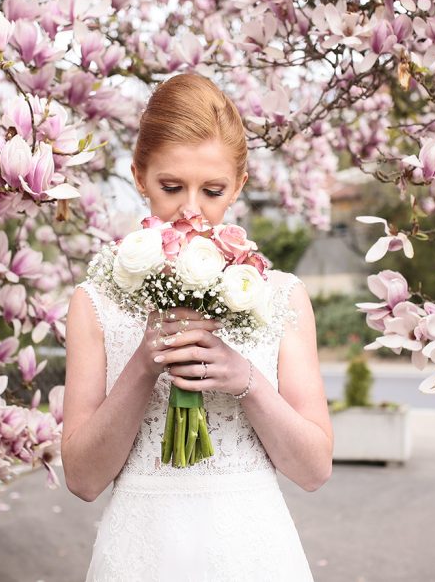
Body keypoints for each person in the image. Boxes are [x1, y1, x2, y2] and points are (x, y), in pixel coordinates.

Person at [62, 72, 333, 581]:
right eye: (170, 186)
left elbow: (315, 470)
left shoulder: (281, 296)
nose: (191, 210)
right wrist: (144, 364)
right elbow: (81, 479)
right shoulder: (94, 301)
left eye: (212, 190)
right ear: (139, 176)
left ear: (239, 186)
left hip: (252, 552)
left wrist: (245, 380)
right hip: (141, 553)